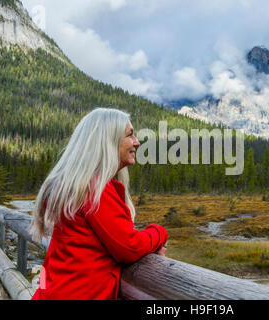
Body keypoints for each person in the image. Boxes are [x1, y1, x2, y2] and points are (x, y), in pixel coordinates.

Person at [30, 108, 168, 300]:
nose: (136, 142)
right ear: (108, 142)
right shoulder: (95, 188)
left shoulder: (78, 184)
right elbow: (129, 247)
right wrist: (159, 232)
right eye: (130, 135)